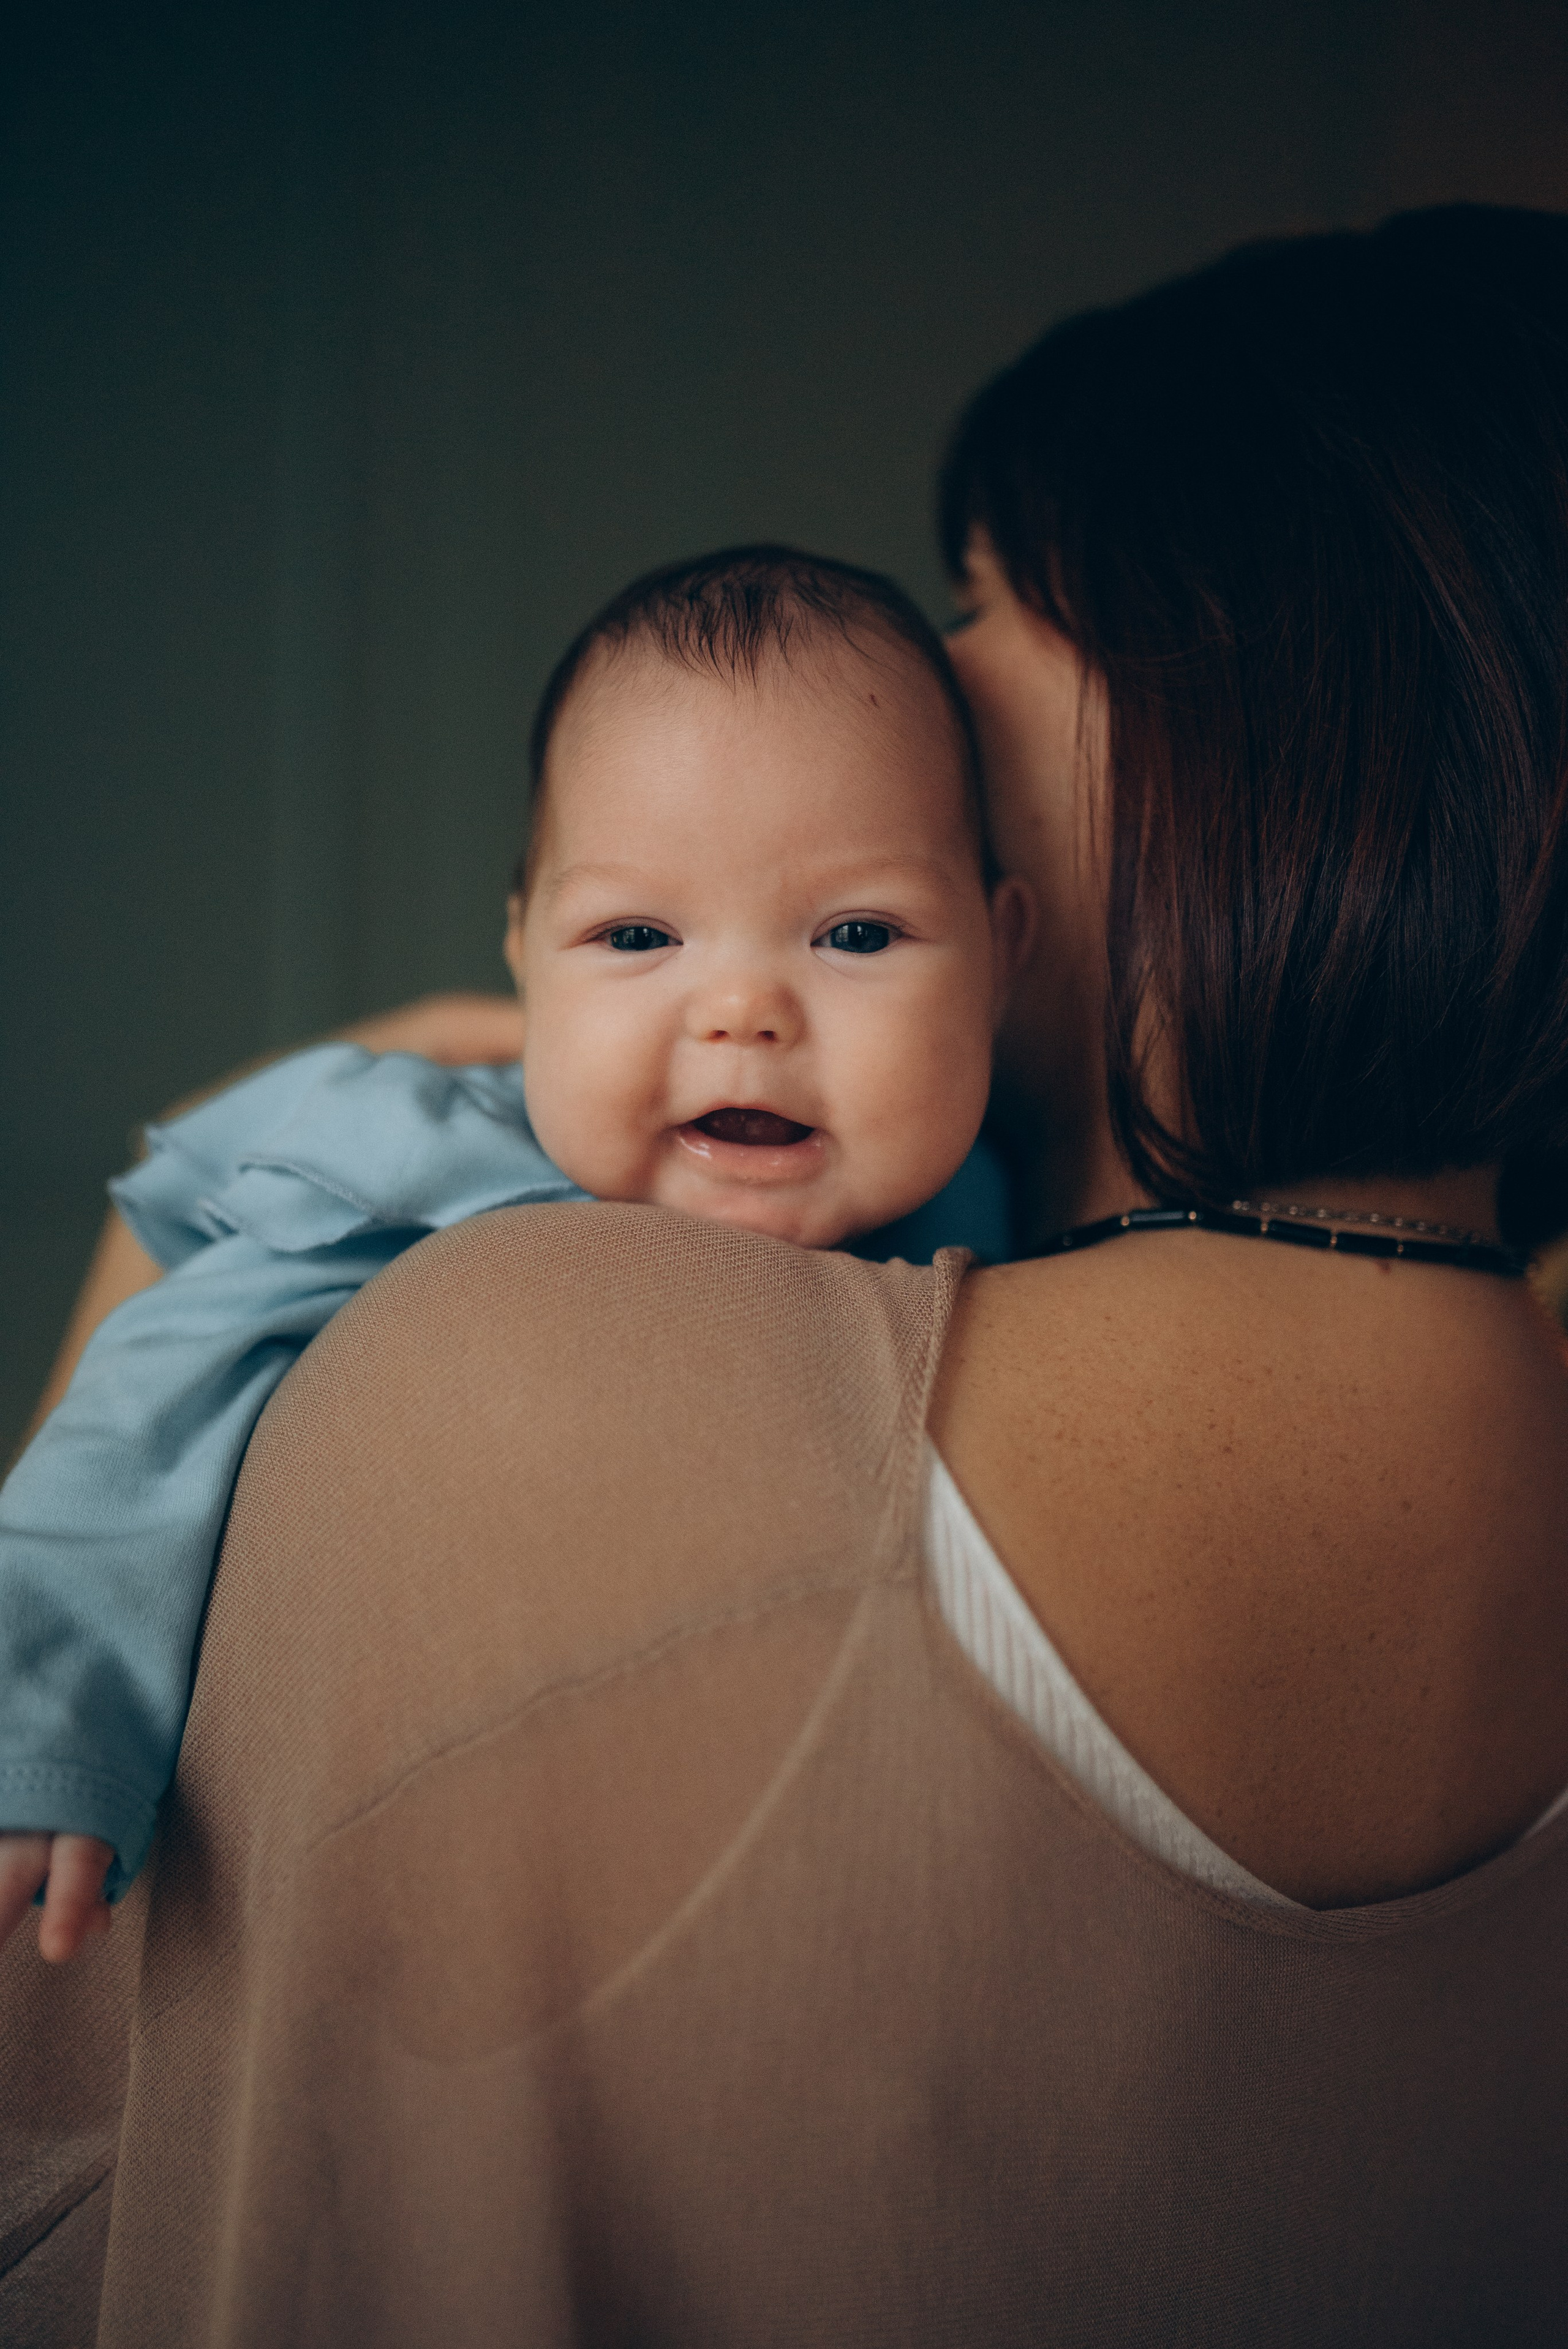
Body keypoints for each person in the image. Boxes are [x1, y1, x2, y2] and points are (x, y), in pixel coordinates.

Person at [8, 202, 1568, 2343]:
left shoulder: (540, 1357)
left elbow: (67, 2133)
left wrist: (186, 1236)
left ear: (1279, 696)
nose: (924, 674)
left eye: (988, 601)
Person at [0, 545, 1030, 1955]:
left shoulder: (999, 1214)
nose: (740, 1008)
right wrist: (45, 1724)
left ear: (1001, 949)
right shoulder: (433, 1174)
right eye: (634, 932)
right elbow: (152, 1398)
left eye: (854, 931)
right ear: (523, 955)